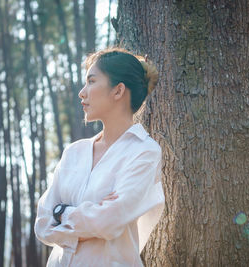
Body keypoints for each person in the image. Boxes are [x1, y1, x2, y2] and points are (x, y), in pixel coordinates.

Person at [34, 46, 165, 267]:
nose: (82, 92)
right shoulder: (74, 152)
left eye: (92, 81)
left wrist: (62, 213)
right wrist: (87, 219)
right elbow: (42, 225)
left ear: (118, 91)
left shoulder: (144, 152)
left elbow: (108, 222)